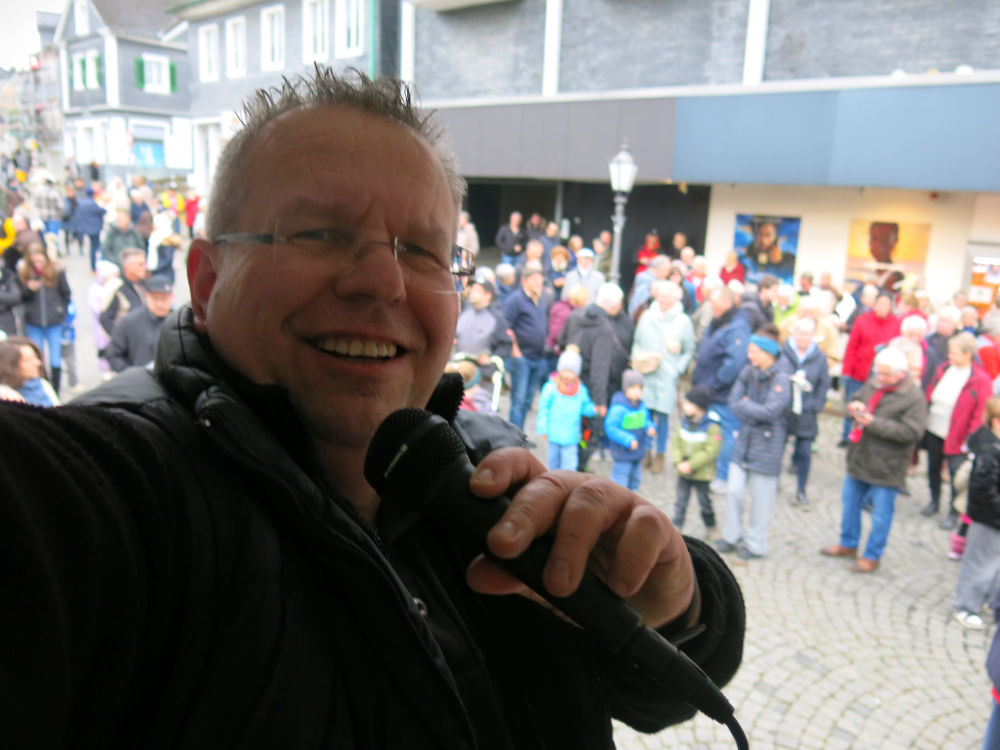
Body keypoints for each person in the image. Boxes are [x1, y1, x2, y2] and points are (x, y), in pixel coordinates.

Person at [0, 68, 744, 748]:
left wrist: (686, 604)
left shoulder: (487, 457)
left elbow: (653, 693)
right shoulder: (128, 486)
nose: (383, 281)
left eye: (422, 250)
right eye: (322, 233)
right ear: (206, 279)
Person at [821, 347, 927, 573]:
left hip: (888, 466)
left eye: (885, 374)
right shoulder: (875, 383)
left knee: (880, 515)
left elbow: (912, 432)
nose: (880, 377)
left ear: (900, 374)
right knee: (850, 505)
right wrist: (855, 407)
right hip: (860, 458)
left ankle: (872, 556)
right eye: (878, 372)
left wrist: (873, 423)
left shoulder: (914, 398)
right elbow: (857, 398)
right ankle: (848, 544)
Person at [714, 326, 792, 560]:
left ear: (768, 353)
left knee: (761, 500)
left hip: (768, 447)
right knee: (734, 491)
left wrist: (746, 406)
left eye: (753, 351)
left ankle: (756, 544)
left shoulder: (782, 378)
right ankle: (732, 535)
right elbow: (733, 402)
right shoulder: (748, 372)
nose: (749, 355)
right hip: (744, 441)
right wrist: (751, 408)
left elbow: (771, 411)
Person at [921, 332, 992, 529]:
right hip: (935, 427)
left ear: (968, 354)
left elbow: (981, 412)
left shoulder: (980, 379)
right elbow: (931, 391)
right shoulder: (944, 369)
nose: (949, 355)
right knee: (933, 467)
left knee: (955, 474)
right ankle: (934, 500)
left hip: (959, 435)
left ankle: (953, 511)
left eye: (954, 352)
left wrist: (971, 438)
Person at [631, 280, 695, 473]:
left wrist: (677, 369)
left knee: (663, 417)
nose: (661, 300)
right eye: (659, 296)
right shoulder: (647, 316)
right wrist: (637, 362)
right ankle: (646, 450)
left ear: (675, 299)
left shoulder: (682, 321)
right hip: (647, 372)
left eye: (666, 297)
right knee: (645, 413)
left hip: (667, 376)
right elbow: (637, 341)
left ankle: (660, 452)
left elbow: (689, 350)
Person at [691, 286, 751, 490]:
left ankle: (724, 476)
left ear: (727, 302)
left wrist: (715, 383)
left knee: (725, 433)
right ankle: (709, 468)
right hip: (708, 388)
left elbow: (735, 362)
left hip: (722, 392)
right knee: (710, 430)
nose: (711, 305)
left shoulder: (737, 325)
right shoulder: (719, 321)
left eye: (714, 302)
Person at [952, 397, 1000, 630]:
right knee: (979, 563)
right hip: (988, 516)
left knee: (993, 563)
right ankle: (966, 606)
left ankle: (988, 599)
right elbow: (983, 489)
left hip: (993, 515)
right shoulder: (990, 449)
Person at [780, 318, 831, 507]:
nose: (804, 338)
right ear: (794, 334)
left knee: (805, 452)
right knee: (778, 446)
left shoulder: (819, 357)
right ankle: (773, 481)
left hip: (807, 411)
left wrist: (816, 405)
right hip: (785, 409)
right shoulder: (784, 353)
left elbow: (824, 383)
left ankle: (801, 489)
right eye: (801, 334)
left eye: (808, 335)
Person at [839, 291, 900, 445]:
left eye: (886, 304)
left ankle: (866, 434)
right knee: (853, 402)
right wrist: (846, 370)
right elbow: (852, 346)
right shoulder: (862, 321)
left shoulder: (896, 324)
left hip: (881, 375)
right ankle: (847, 435)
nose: (882, 307)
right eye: (880, 303)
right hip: (859, 371)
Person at [502, 263, 552, 430]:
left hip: (538, 357)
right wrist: (515, 350)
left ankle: (520, 435)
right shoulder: (515, 300)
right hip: (522, 357)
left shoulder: (541, 300)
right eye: (535, 280)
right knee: (518, 399)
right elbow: (507, 327)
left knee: (528, 400)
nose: (539, 284)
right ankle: (513, 436)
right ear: (524, 280)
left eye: (540, 280)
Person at [17, 239, 71, 392]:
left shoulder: (56, 272)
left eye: (40, 261)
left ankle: (56, 388)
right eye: (34, 262)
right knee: (38, 356)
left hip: (54, 319)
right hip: (33, 320)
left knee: (55, 356)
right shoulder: (25, 273)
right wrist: (29, 289)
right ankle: (43, 386)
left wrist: (61, 310)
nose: (38, 265)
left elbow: (66, 294)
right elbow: (20, 297)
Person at [671, 385, 722, 537]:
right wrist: (678, 462)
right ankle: (676, 528)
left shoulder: (712, 427)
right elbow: (675, 443)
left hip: (702, 475)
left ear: (699, 407)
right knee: (680, 501)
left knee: (705, 502)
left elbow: (711, 451)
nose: (684, 405)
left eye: (688, 403)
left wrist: (691, 465)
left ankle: (711, 526)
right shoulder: (684, 422)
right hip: (683, 472)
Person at [537, 348, 596, 471]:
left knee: (569, 466)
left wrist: (594, 409)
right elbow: (544, 409)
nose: (568, 374)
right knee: (553, 464)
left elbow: (585, 407)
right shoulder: (551, 388)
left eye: (572, 371)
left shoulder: (580, 390)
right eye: (566, 370)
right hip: (553, 434)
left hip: (571, 436)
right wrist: (543, 427)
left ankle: (567, 482)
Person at [106, 275, 175, 372]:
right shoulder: (129, 322)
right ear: (147, 296)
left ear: (172, 297)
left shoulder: (179, 324)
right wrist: (131, 374)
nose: (159, 304)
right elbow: (113, 354)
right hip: (137, 378)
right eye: (155, 298)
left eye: (164, 298)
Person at [605, 369, 657, 490]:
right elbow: (611, 428)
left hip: (637, 451)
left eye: (639, 388)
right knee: (620, 482)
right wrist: (627, 440)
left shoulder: (641, 406)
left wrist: (650, 427)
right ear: (625, 388)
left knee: (635, 480)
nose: (637, 392)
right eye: (633, 388)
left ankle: (631, 499)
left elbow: (645, 420)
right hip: (623, 452)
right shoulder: (619, 408)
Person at [98, 246, 149, 337]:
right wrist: (121, 339)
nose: (145, 267)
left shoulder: (144, 284)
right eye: (140, 264)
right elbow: (105, 319)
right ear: (128, 266)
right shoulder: (116, 288)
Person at [0, 335, 60, 406]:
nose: (38, 363)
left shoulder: (42, 384)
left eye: (36, 357)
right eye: (28, 360)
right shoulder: (6, 396)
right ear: (11, 366)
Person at [73, 185, 107, 271]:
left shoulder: (82, 202)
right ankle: (94, 266)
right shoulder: (92, 203)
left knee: (93, 247)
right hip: (94, 228)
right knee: (95, 247)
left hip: (87, 227)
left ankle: (95, 265)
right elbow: (102, 211)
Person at [147, 211, 182, 284]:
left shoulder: (166, 240)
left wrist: (154, 268)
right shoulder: (156, 237)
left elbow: (167, 259)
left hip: (164, 274)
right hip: (158, 273)